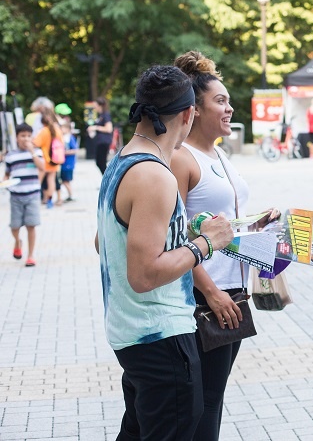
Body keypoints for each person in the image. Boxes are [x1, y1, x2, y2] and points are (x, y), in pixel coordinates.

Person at [95, 64, 235, 440]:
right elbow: (143, 276)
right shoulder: (155, 175)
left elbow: (102, 242)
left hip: (132, 333)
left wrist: (175, 232)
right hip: (160, 336)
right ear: (189, 114)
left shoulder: (122, 161)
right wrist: (205, 243)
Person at [172, 51, 281, 440]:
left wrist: (258, 225)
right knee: (200, 403)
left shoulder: (218, 152)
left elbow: (219, 225)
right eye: (220, 100)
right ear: (194, 110)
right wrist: (212, 291)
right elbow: (176, 235)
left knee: (212, 398)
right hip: (205, 297)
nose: (229, 107)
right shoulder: (181, 159)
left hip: (233, 293)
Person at [5, 124, 46, 266]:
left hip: (33, 195)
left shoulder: (37, 152)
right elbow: (7, 173)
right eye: (23, 136)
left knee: (31, 225)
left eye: (29, 136)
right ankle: (17, 241)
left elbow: (42, 168)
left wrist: (32, 152)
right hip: (15, 196)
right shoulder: (11, 155)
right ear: (16, 138)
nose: (26, 139)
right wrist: (4, 182)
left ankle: (31, 255)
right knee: (14, 226)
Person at [32, 107, 62, 208]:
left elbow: (36, 143)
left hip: (44, 160)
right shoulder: (57, 129)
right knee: (51, 181)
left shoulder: (44, 131)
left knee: (38, 181)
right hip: (54, 160)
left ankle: (34, 199)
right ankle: (49, 201)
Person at [87, 97, 114, 175]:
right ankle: (106, 180)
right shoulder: (100, 115)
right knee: (100, 162)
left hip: (104, 141)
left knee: (101, 162)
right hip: (100, 141)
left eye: (96, 105)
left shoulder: (105, 115)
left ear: (100, 105)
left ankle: (108, 180)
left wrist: (95, 127)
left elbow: (109, 129)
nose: (94, 108)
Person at [57, 121, 78, 204]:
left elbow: (75, 150)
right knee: (64, 180)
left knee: (65, 180)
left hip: (68, 164)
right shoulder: (62, 137)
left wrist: (64, 152)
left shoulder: (70, 138)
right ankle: (69, 195)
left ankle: (71, 195)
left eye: (63, 128)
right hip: (63, 163)